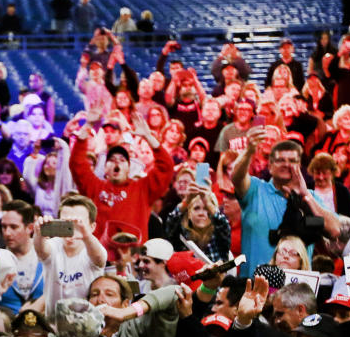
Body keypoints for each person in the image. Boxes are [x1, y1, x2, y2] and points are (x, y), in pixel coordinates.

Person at [231, 132, 339, 275]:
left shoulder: (310, 197)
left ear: (299, 165)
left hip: (297, 291)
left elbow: (334, 230)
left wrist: (305, 195)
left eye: (292, 160)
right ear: (270, 166)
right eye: (280, 160)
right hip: (255, 289)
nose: (286, 164)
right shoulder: (255, 189)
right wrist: (249, 151)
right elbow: (237, 178)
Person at [70, 112, 173, 244]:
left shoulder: (143, 189)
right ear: (105, 168)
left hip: (132, 257)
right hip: (101, 260)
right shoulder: (95, 187)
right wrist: (88, 125)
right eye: (112, 160)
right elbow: (76, 164)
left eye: (122, 160)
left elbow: (166, 167)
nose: (117, 162)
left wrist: (148, 136)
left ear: (129, 168)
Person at [164, 184, 231, 262]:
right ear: (189, 214)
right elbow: (171, 222)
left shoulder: (219, 235)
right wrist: (186, 201)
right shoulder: (181, 237)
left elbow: (223, 224)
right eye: (196, 208)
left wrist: (209, 204)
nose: (201, 213)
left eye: (206, 209)